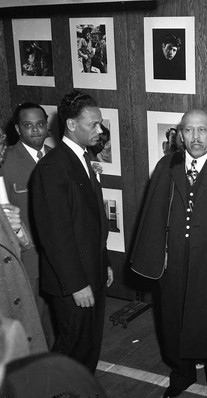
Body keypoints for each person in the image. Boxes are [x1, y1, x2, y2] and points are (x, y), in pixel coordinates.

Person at [130, 109, 207, 398]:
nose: (196, 137)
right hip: (175, 263)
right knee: (175, 318)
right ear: (180, 135)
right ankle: (181, 374)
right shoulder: (167, 164)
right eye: (189, 130)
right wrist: (159, 253)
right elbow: (153, 215)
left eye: (202, 130)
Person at [30, 90, 113, 373]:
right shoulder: (53, 167)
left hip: (93, 271)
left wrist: (105, 263)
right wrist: (77, 284)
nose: (100, 130)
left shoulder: (83, 157)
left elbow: (92, 221)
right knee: (72, 349)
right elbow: (55, 235)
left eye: (100, 124)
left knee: (89, 346)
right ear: (72, 125)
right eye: (94, 124)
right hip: (73, 281)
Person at [1, 103, 54, 345]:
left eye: (40, 124)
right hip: (26, 258)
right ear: (17, 129)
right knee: (30, 323)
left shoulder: (55, 156)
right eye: (28, 125)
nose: (35, 130)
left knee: (53, 319)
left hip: (55, 255)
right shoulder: (7, 161)